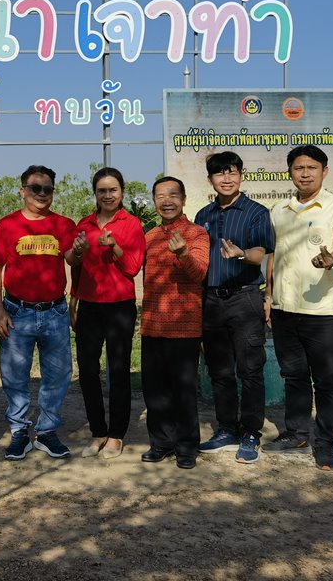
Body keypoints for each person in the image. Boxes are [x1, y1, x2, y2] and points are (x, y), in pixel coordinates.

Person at [265, 145, 333, 471]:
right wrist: (269, 296)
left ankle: (325, 444)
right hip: (285, 307)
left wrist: (331, 259)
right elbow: (273, 256)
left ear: (325, 171)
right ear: (290, 172)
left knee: (326, 380)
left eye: (311, 168)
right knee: (293, 376)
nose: (305, 174)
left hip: (324, 310)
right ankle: (296, 435)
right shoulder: (279, 210)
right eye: (298, 168)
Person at [0, 165, 79, 461]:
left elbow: (71, 258)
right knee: (15, 375)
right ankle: (19, 431)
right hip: (18, 312)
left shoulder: (64, 225)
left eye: (47, 189)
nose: (42, 194)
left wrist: (79, 250)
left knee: (58, 374)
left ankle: (46, 431)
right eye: (35, 188)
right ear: (23, 191)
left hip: (55, 311)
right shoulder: (6, 226)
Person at [194, 151, 275, 464]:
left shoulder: (256, 212)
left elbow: (260, 254)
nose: (226, 179)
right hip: (211, 300)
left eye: (232, 172)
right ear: (210, 179)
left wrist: (241, 253)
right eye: (219, 173)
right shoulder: (203, 215)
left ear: (241, 175)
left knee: (250, 370)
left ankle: (251, 433)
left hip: (244, 298)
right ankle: (227, 429)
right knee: (220, 371)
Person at [71, 167, 146, 460]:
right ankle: (98, 431)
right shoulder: (85, 224)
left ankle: (116, 434)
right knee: (88, 370)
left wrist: (114, 246)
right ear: (95, 193)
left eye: (112, 190)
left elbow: (133, 267)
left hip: (119, 307)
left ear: (122, 192)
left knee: (118, 370)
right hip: (89, 306)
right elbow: (77, 267)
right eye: (101, 190)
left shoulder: (132, 224)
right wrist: (74, 299)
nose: (107, 195)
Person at [140, 177, 210, 469]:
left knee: (183, 390)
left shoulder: (197, 233)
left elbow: (199, 273)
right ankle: (161, 443)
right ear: (154, 201)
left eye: (172, 195)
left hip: (184, 325)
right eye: (160, 196)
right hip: (152, 324)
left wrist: (182, 253)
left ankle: (186, 446)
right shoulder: (149, 236)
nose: (166, 201)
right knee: (154, 390)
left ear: (183, 199)